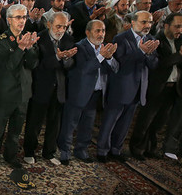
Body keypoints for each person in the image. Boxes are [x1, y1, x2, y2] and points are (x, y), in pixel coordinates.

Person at [97, 11, 159, 162]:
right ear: (133, 22)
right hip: (120, 88)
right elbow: (120, 64)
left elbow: (154, 65)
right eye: (144, 22)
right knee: (110, 122)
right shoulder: (122, 38)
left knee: (125, 124)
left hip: (138, 90)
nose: (147, 26)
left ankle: (116, 150)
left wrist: (149, 55)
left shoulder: (151, 39)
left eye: (150, 22)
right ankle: (102, 151)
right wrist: (141, 52)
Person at [57, 20, 118, 165]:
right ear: (88, 32)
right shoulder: (79, 47)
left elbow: (115, 68)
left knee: (87, 125)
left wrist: (109, 58)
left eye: (103, 30)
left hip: (95, 94)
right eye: (97, 31)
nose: (101, 34)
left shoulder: (104, 48)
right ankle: (64, 152)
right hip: (78, 93)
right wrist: (101, 56)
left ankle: (81, 150)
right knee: (70, 124)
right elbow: (84, 70)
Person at [0, 4, 39, 170]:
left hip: (23, 93)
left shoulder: (29, 38)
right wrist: (21, 47)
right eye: (18, 17)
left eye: (24, 17)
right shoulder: (0, 40)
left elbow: (33, 64)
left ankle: (10, 156)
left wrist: (29, 48)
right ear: (9, 20)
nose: (22, 21)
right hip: (5, 93)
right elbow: (10, 65)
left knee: (16, 131)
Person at [23, 12, 76, 165]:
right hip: (41, 86)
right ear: (49, 24)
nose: (61, 30)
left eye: (64, 27)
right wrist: (58, 58)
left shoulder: (68, 39)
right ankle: (29, 151)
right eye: (58, 26)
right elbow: (39, 64)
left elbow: (71, 65)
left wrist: (66, 59)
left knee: (54, 123)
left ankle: (49, 152)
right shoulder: (39, 39)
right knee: (34, 123)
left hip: (59, 88)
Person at [129, 12, 181, 159]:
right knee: (145, 120)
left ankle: (151, 148)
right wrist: (179, 56)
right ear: (166, 26)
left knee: (160, 122)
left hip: (173, 88)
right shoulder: (156, 40)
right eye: (177, 26)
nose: (180, 30)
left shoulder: (179, 41)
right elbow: (159, 65)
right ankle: (137, 148)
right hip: (157, 88)